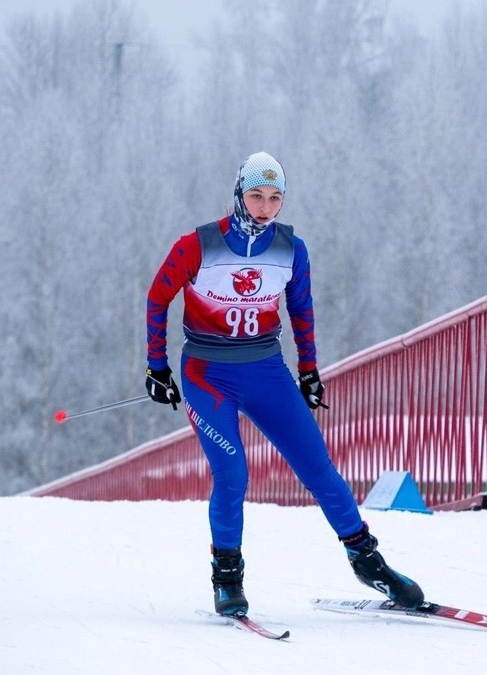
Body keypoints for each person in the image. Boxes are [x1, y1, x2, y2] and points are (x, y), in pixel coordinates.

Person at [144, 151, 424, 616]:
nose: (266, 207)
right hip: (206, 375)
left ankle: (367, 561)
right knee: (232, 474)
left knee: (319, 470)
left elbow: (301, 311)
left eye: (275, 198)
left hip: (266, 371)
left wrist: (309, 371)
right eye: (256, 196)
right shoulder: (198, 245)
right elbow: (157, 298)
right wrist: (157, 367)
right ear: (239, 194)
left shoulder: (291, 249)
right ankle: (227, 578)